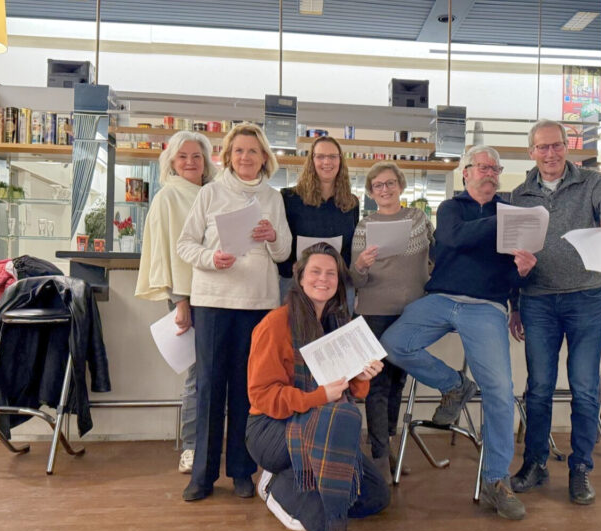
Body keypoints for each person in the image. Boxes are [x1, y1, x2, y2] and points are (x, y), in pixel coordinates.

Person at [381, 145, 537, 520]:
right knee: (392, 344)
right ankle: (455, 384)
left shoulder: (511, 214)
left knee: (500, 390)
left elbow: (512, 275)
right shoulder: (451, 208)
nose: (490, 174)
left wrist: (523, 271)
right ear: (465, 172)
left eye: (495, 169)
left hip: (486, 307)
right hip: (441, 299)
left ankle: (496, 480)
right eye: (483, 167)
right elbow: (454, 239)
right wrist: (500, 222)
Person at [507, 119, 601, 505]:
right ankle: (535, 463)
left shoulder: (592, 182)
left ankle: (580, 468)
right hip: (537, 302)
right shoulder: (518, 196)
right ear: (531, 152)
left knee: (585, 388)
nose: (550, 153)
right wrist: (515, 305)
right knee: (539, 388)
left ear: (567, 147)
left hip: (586, 299)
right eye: (542, 147)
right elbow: (512, 258)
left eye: (557, 145)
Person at [176, 123, 291, 502]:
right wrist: (212, 258)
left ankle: (242, 470)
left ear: (264, 157)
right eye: (239, 150)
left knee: (248, 388)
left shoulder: (273, 198)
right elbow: (185, 245)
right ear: (228, 156)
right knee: (209, 387)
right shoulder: (209, 193)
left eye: (252, 151)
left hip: (258, 304)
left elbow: (284, 252)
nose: (245, 157)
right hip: (213, 300)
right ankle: (202, 476)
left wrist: (272, 237)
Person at [246, 243, 390, 531]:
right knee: (319, 521)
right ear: (300, 278)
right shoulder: (275, 324)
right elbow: (262, 395)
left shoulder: (341, 325)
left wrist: (362, 377)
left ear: (339, 281)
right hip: (272, 427)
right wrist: (319, 397)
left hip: (324, 423)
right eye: (315, 272)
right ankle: (272, 483)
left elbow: (352, 391)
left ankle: (304, 472)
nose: (323, 279)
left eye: (331, 273)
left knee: (376, 496)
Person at [135, 130, 218, 474]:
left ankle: (210, 445)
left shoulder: (213, 193)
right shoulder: (167, 197)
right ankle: (192, 447)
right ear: (171, 162)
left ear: (206, 161)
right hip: (188, 296)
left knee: (215, 374)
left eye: (196, 156)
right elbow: (164, 252)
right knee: (198, 376)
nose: (190, 162)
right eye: (182, 156)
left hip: (218, 294)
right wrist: (179, 301)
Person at [350, 161, 434, 480]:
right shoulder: (364, 226)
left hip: (412, 313)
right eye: (378, 186)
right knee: (377, 385)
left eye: (390, 183)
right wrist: (361, 263)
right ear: (371, 193)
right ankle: (379, 455)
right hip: (374, 313)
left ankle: (388, 443)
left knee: (398, 382)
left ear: (400, 185)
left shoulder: (418, 219)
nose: (384, 189)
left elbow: (436, 256)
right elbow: (355, 279)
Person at [278, 136, 359, 302]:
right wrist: (290, 266)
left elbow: (351, 248)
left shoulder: (351, 202)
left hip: (336, 285)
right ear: (311, 160)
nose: (326, 162)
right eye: (320, 156)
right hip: (296, 283)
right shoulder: (289, 198)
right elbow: (280, 242)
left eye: (332, 156)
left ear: (340, 160)